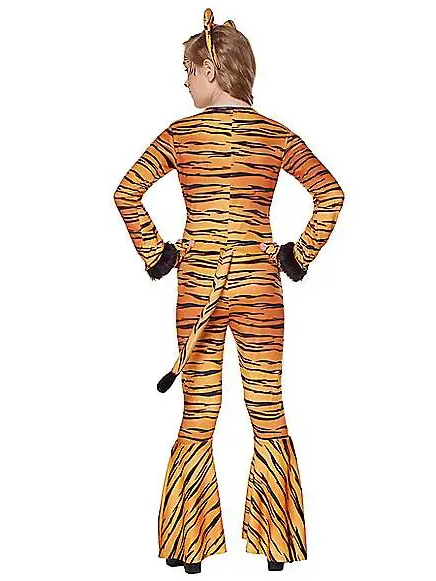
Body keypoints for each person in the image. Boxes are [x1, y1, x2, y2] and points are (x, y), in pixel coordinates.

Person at [113, 7, 344, 575]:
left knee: (198, 415)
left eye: (188, 71)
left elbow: (126, 192)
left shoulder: (180, 134)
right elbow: (330, 193)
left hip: (198, 287)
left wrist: (158, 253)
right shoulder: (275, 135)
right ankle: (278, 546)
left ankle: (188, 546)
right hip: (260, 288)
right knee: (268, 411)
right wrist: (296, 255)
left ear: (212, 69)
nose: (185, 82)